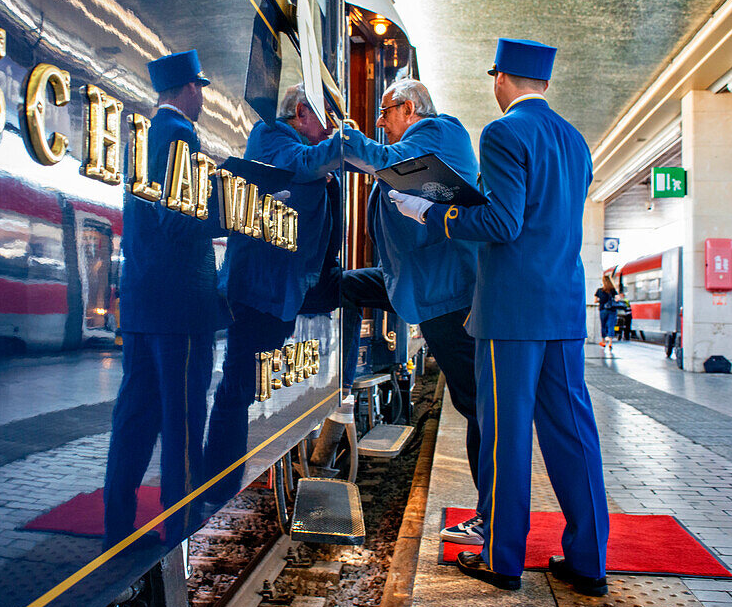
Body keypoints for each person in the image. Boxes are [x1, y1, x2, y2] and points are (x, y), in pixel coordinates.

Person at [389, 39, 610, 595]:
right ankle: (589, 563)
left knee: (505, 435)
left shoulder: (504, 133)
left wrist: (435, 213)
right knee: (574, 434)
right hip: (562, 309)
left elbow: (505, 223)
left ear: (501, 78)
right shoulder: (575, 141)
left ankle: (503, 558)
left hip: (510, 312)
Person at [341, 80, 482, 544]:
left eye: (384, 113)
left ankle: (493, 516)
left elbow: (382, 163)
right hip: (418, 285)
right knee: (339, 286)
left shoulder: (440, 132)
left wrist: (344, 136)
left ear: (408, 108)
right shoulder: (417, 147)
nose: (379, 123)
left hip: (448, 296)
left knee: (477, 405)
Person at [102, 49, 225, 549]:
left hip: (141, 307)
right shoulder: (181, 136)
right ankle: (182, 527)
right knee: (183, 420)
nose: (202, 99)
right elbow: (181, 220)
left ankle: (117, 524)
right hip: (180, 310)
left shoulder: (144, 139)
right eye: (201, 90)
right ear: (190, 90)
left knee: (135, 415)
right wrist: (229, 208)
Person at [204, 84, 341, 506]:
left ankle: (220, 479)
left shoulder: (300, 144)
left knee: (243, 385)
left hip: (283, 291)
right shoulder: (271, 137)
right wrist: (342, 147)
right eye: (326, 118)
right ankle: (217, 484)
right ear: (301, 112)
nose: (331, 128)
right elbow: (301, 166)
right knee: (238, 386)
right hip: (258, 290)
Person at [595, 275, 618, 353]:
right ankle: (610, 343)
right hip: (612, 310)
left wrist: (600, 300)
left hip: (603, 310)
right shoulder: (613, 290)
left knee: (603, 325)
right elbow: (617, 299)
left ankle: (603, 342)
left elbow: (595, 300)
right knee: (611, 326)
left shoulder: (599, 290)